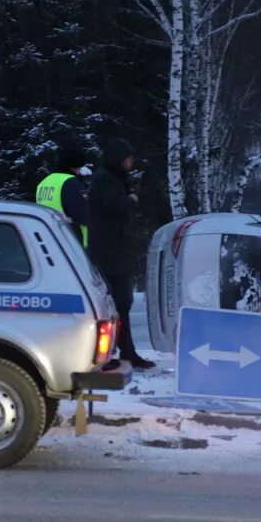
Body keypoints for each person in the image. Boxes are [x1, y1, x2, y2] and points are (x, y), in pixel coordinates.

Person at [88, 137, 154, 370]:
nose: (131, 163)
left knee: (121, 305)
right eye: (128, 158)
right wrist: (130, 200)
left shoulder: (111, 178)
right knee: (111, 306)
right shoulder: (106, 179)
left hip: (114, 254)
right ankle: (106, 353)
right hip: (109, 256)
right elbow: (112, 204)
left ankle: (127, 351)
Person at [35, 145, 90, 245]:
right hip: (75, 242)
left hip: (52, 238)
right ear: (74, 166)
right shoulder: (71, 183)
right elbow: (85, 215)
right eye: (78, 167)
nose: (80, 170)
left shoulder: (45, 182)